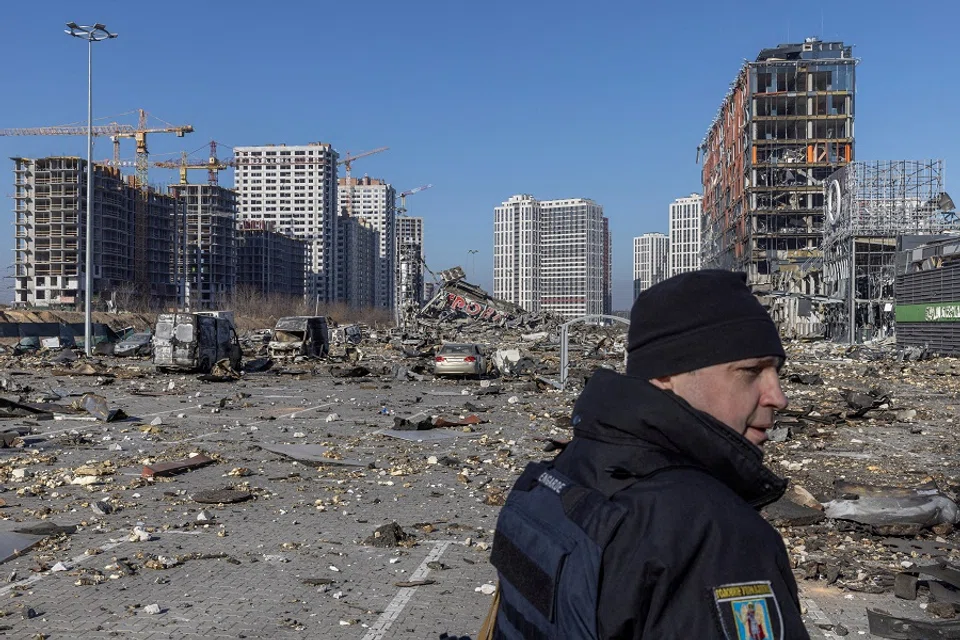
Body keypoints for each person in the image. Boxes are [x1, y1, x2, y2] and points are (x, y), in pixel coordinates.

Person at [488, 270, 809, 639]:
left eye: (777, 371)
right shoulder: (713, 536)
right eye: (751, 371)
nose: (779, 396)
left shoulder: (567, 470)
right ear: (666, 374)